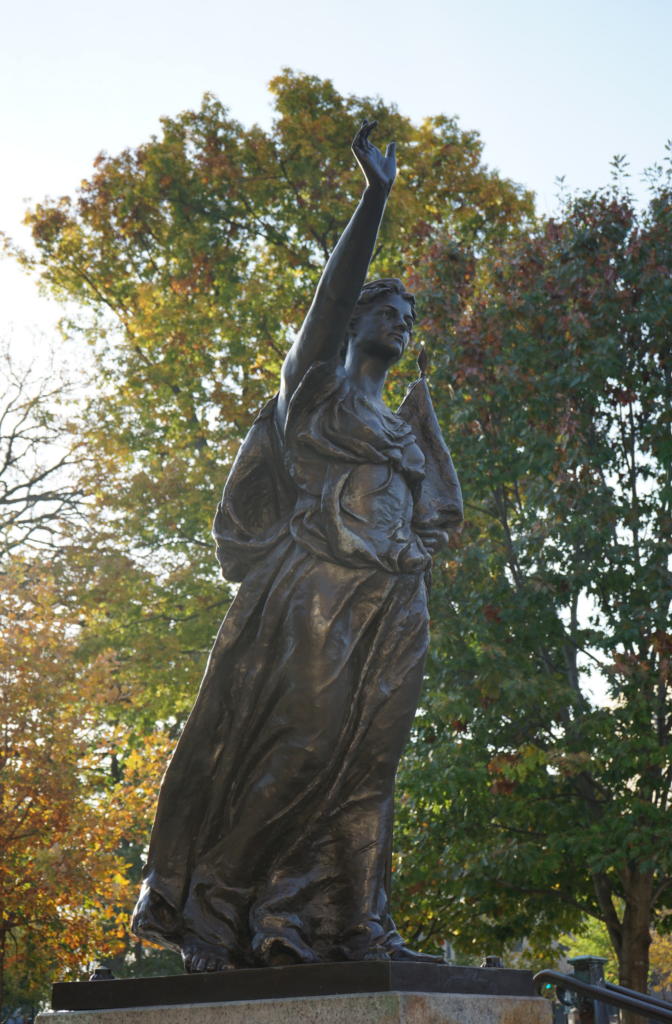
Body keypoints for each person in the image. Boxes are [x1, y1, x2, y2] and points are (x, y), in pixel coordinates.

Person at [131, 121, 463, 973]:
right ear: (353, 322)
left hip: (396, 599)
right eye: (387, 308)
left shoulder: (406, 423)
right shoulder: (313, 392)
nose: (402, 319)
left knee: (369, 768)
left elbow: (439, 516)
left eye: (410, 314)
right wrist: (374, 198)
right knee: (303, 747)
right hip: (319, 588)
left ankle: (348, 924)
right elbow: (323, 309)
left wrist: (413, 562)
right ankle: (212, 911)